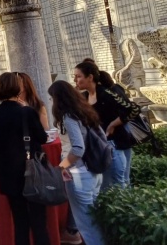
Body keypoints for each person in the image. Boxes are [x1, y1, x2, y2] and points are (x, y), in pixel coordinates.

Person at [0, 72, 49, 245]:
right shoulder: (26, 111)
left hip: (8, 173)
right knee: (38, 221)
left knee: (20, 221)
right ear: (17, 89)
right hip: (31, 171)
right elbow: (43, 137)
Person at [49, 80, 107, 245]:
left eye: (52, 98)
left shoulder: (68, 117)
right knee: (94, 220)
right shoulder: (84, 111)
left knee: (86, 225)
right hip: (93, 172)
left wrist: (61, 167)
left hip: (79, 174)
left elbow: (77, 148)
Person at [74, 61, 140, 190]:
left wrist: (113, 125)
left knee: (119, 183)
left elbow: (133, 110)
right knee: (105, 186)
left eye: (78, 76)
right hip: (99, 146)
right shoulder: (84, 97)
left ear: (90, 77)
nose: (75, 80)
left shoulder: (107, 94)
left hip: (115, 144)